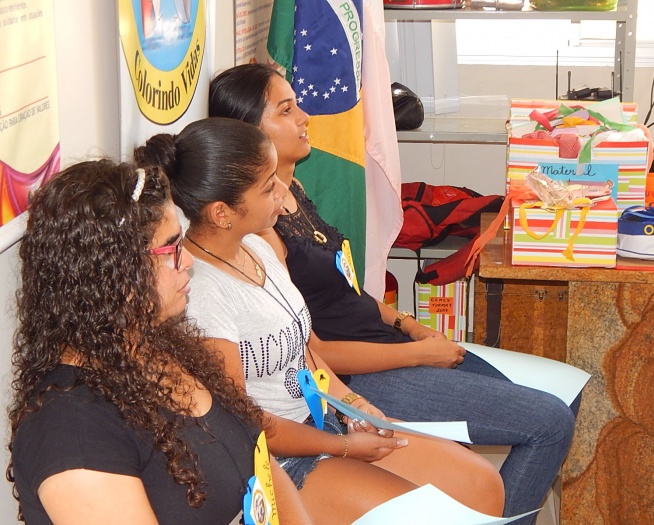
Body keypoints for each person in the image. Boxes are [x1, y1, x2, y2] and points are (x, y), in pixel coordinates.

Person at [208, 63, 578, 524]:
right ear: (247, 136)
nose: (305, 117)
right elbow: (309, 355)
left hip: (381, 351)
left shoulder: (293, 192)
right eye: (286, 110)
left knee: (559, 404)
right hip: (363, 373)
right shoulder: (259, 234)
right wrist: (416, 356)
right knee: (548, 423)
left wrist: (410, 325)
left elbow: (347, 290)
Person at [134, 117, 505, 525]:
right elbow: (243, 422)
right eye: (267, 186)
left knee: (482, 485)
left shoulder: (258, 247)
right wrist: (341, 446)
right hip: (280, 457)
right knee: (436, 518)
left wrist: (355, 406)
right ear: (222, 213)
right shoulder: (203, 293)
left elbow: (305, 351)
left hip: (325, 421)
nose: (282, 190)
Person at [7, 160, 313, 525]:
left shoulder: (158, 342)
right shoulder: (72, 432)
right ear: (115, 271)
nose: (188, 260)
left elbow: (260, 461)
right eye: (171, 249)